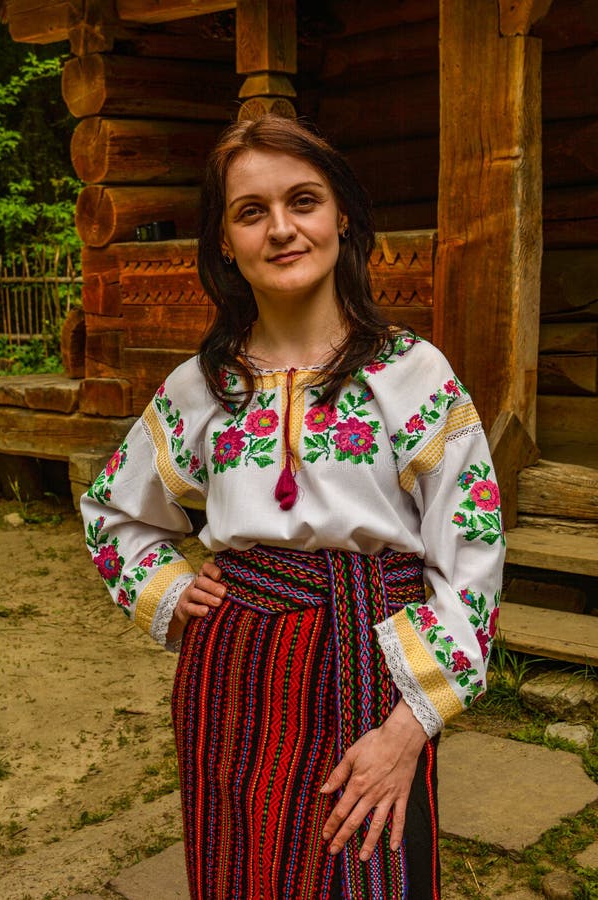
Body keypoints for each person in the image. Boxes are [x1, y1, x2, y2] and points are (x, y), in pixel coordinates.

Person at [81, 114, 505, 900]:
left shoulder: (411, 375)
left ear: (341, 217)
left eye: (302, 201)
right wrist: (167, 589)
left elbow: (470, 559)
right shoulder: (203, 388)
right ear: (225, 244)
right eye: (251, 211)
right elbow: (114, 510)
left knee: (370, 871)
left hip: (375, 672)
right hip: (234, 676)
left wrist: (410, 729)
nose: (281, 228)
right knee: (242, 873)